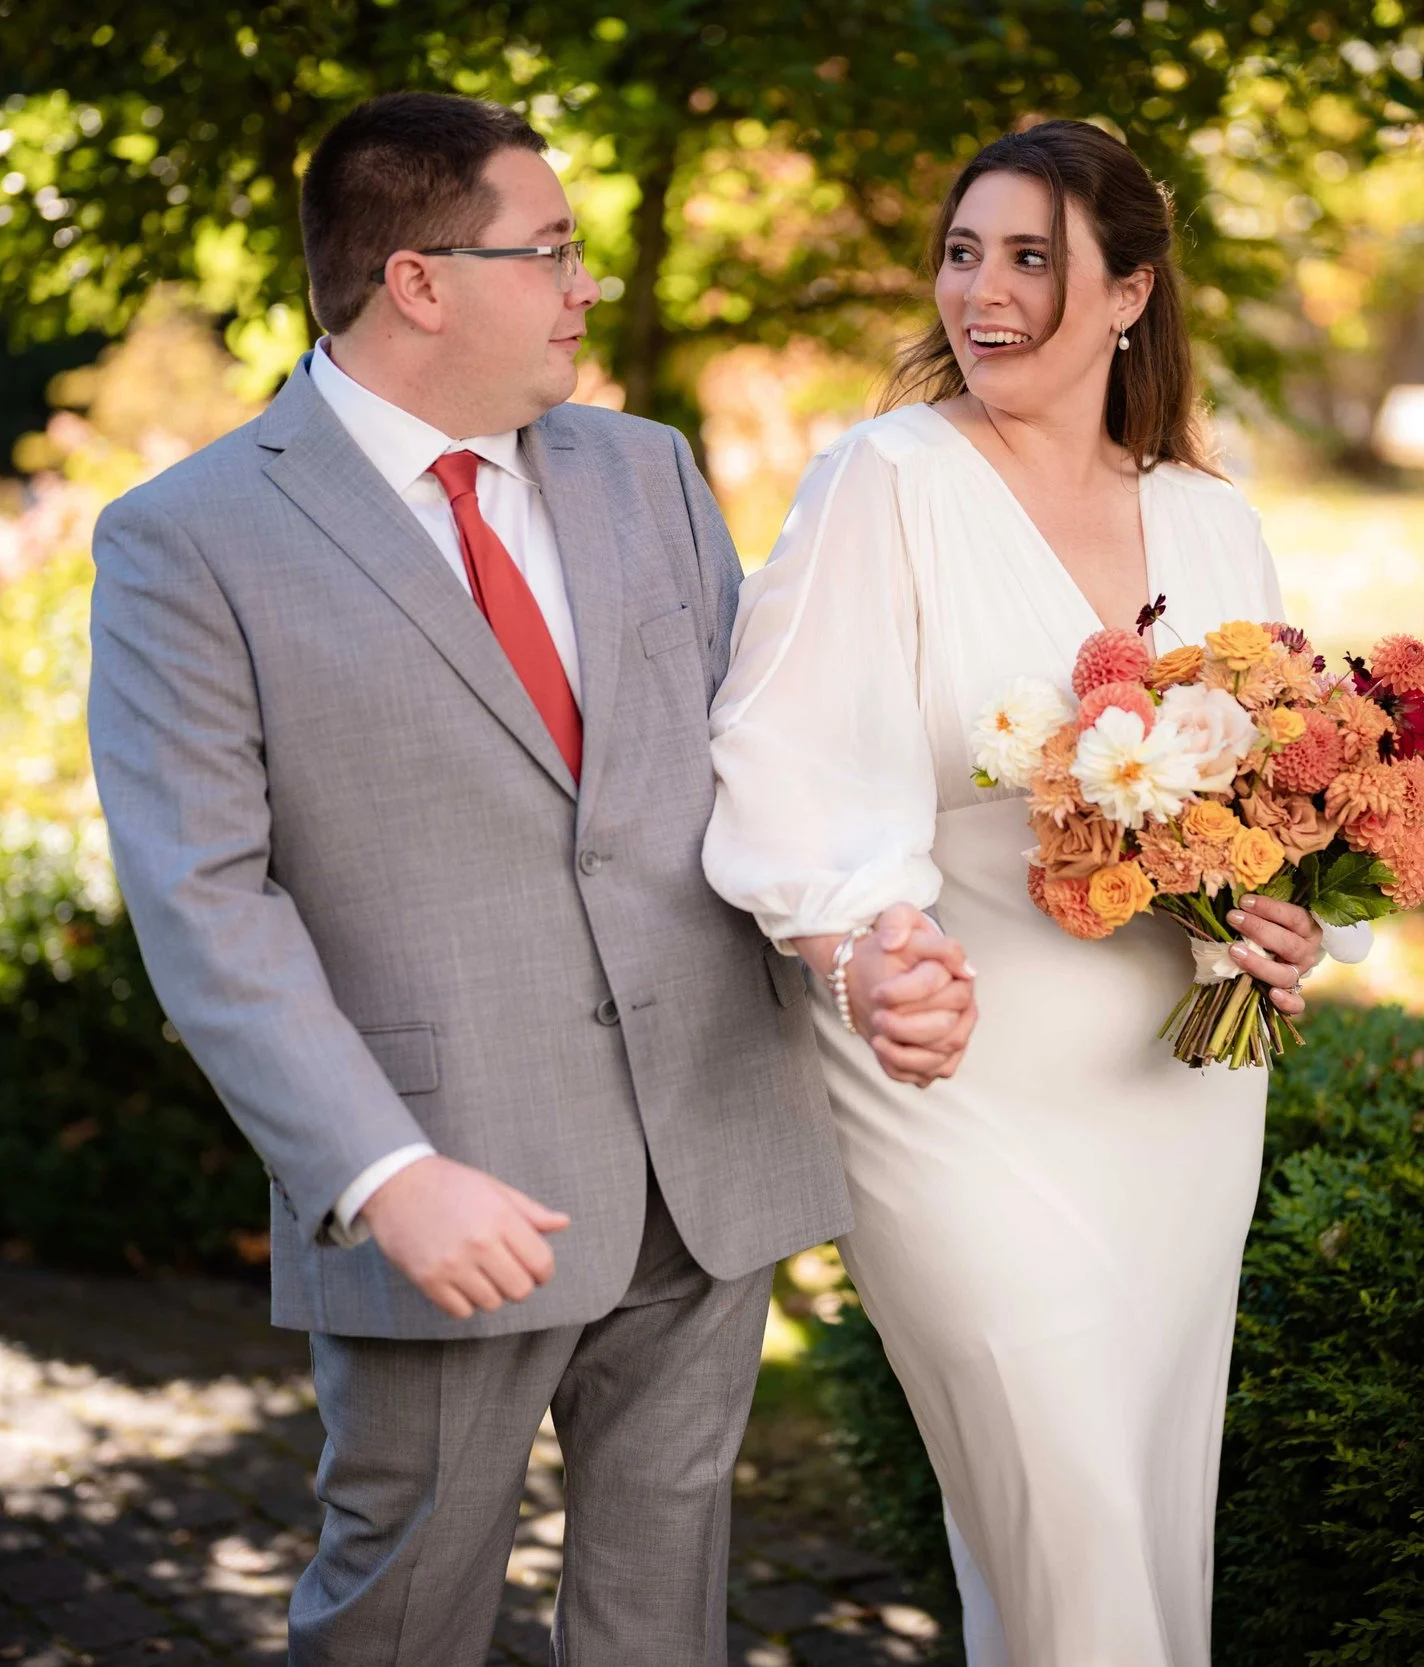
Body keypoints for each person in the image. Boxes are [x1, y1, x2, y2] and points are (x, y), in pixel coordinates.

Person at [87, 91, 962, 1665]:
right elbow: (206, 901)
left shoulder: (647, 472)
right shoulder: (188, 541)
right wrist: (378, 1172)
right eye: (550, 251)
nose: (584, 288)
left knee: (662, 1617)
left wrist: (858, 943)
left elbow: (765, 765)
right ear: (418, 278)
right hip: (447, 1184)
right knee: (404, 1608)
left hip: (706, 1151)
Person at [704, 120, 1373, 1666]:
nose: (982, 295)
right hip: (953, 1070)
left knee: (1137, 1506)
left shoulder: (1213, 518)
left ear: (1132, 292)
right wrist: (857, 942)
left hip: (1176, 1087)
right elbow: (781, 751)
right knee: (1059, 1486)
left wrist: (1288, 923)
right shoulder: (887, 481)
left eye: (1032, 260)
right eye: (962, 253)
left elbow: (1272, 792)